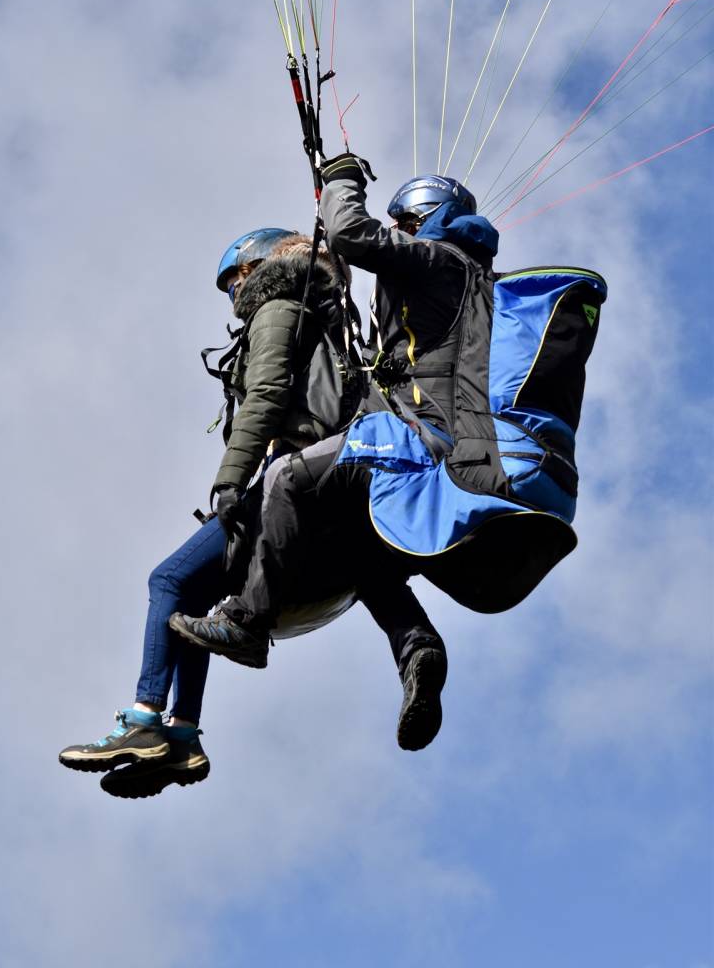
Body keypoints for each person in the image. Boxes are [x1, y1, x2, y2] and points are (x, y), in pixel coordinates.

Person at [170, 156, 606, 721]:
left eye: (403, 223)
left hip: (424, 437)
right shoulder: (475, 281)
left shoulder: (437, 260)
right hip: (445, 435)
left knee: (289, 475)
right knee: (359, 530)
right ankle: (417, 649)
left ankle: (246, 622)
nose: (398, 233)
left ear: (424, 219)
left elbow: (351, 234)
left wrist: (341, 179)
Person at [58, 227, 374, 798]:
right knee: (197, 596)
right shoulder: (326, 313)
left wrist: (230, 479)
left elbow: (269, 393)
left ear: (257, 268)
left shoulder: (278, 305)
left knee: (169, 579)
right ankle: (182, 737)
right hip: (322, 474)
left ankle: (144, 719)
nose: (232, 294)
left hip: (287, 470)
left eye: (235, 280)